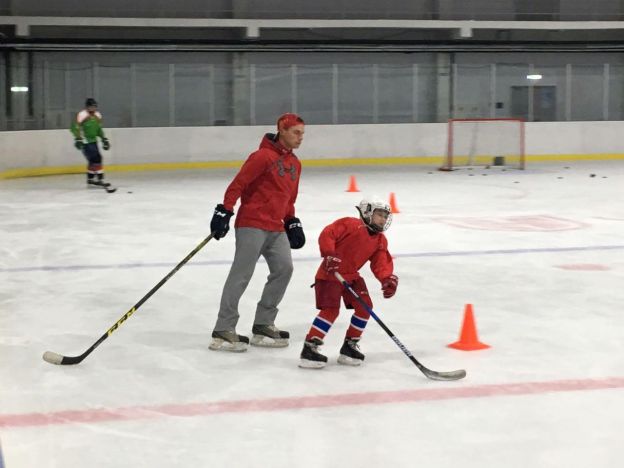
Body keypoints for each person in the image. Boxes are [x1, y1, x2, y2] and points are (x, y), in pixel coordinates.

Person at [208, 113, 306, 352]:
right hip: (252, 224)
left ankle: (263, 323)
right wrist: (225, 210)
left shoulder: (295, 164)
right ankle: (223, 328)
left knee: (284, 269)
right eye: (296, 132)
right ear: (282, 130)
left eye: (303, 133)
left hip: (276, 226)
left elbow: (288, 198)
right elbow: (238, 185)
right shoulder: (262, 157)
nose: (301, 138)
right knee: (241, 274)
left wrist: (292, 220)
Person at [299, 196, 399, 368]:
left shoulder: (380, 240)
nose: (383, 219)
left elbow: (380, 262)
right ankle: (309, 349)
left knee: (365, 307)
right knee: (331, 311)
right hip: (331, 274)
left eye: (385, 216)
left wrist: (386, 278)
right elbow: (328, 233)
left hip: (351, 276)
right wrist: (329, 253)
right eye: (379, 215)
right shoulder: (350, 224)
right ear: (367, 212)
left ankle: (349, 347)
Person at [70, 98, 112, 189]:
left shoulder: (97, 116)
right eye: (91, 107)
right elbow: (74, 127)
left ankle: (90, 179)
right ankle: (100, 179)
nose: (92, 108)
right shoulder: (82, 115)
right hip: (85, 141)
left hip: (93, 141)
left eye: (94, 107)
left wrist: (104, 139)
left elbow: (99, 129)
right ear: (87, 107)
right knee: (96, 158)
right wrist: (78, 139)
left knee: (92, 160)